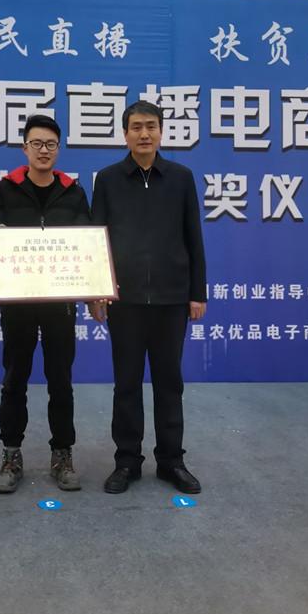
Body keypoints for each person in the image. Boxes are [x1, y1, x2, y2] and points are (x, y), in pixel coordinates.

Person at [91, 101, 207, 495]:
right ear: (124, 134)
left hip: (172, 299)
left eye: (151, 126)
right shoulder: (108, 180)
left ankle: (171, 461)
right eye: (137, 127)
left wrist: (197, 292)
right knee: (126, 383)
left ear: (161, 132)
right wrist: (98, 291)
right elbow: (97, 237)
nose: (144, 134)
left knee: (169, 383)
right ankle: (127, 461)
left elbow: (194, 237)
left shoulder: (180, 178)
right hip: (124, 301)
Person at [0, 114, 91, 494]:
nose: (43, 150)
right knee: (15, 377)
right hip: (17, 302)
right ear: (24, 148)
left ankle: (62, 453)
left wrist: (94, 289)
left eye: (50, 144)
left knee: (61, 379)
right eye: (37, 143)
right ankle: (11, 454)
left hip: (60, 301)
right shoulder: (4, 190)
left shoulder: (74, 192)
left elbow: (87, 247)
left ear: (58, 149)